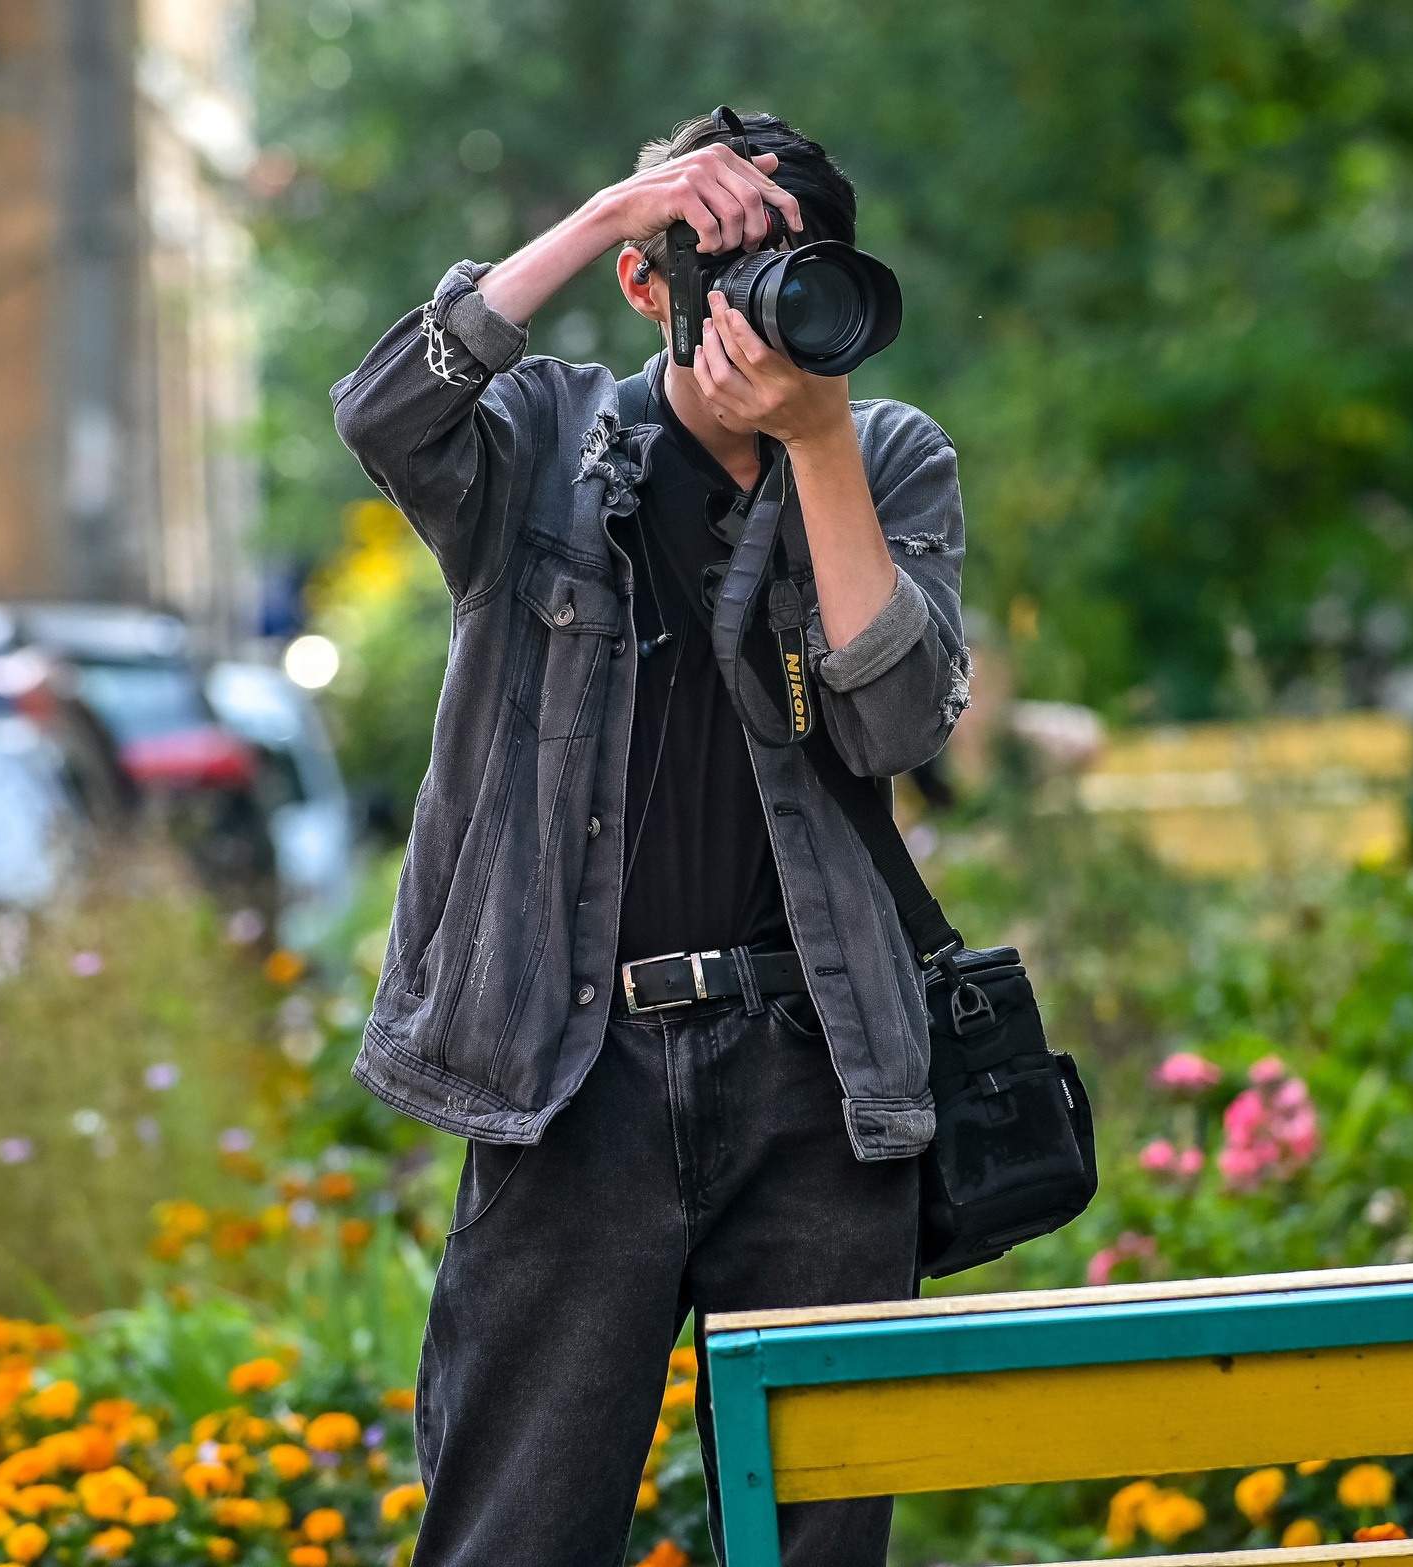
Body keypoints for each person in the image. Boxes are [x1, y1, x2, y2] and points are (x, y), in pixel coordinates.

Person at [329, 109, 969, 1567]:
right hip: (571, 1079)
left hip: (818, 1076)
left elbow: (900, 725)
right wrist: (608, 208)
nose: (771, 307)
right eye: (735, 267)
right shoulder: (545, 437)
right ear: (648, 283)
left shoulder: (883, 457)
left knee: (817, 1540)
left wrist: (817, 445)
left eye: (804, 272)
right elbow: (382, 412)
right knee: (518, 1534)